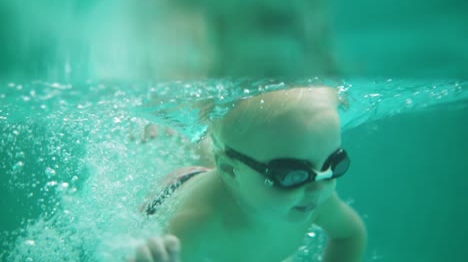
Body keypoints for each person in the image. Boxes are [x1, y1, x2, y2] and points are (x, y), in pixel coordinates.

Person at [131, 86, 367, 262]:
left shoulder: (316, 195)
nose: (319, 187)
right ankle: (173, 129)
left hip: (239, 175)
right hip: (173, 189)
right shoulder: (195, 229)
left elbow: (350, 235)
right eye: (291, 175)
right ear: (229, 170)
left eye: (334, 165)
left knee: (231, 154)